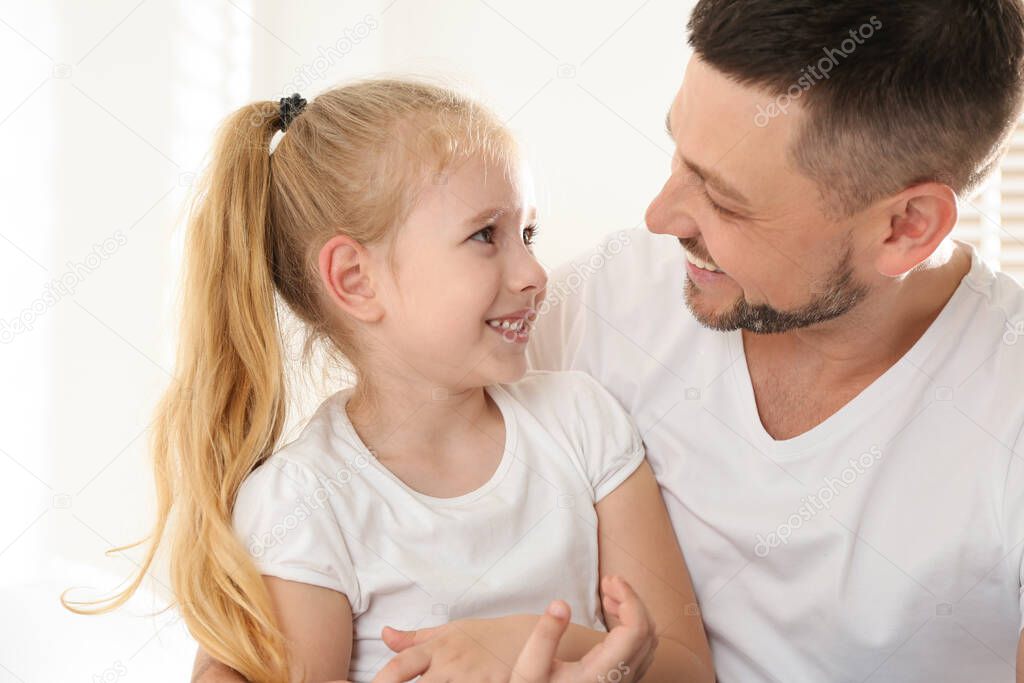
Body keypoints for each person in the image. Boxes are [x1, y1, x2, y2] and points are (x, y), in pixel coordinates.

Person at [64, 79, 714, 682]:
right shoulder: (306, 502)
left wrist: (521, 642)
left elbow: (688, 667)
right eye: (486, 235)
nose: (534, 273)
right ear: (355, 279)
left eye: (527, 232)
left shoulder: (582, 422)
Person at [525, 1, 1024, 681]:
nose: (661, 214)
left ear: (906, 227)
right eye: (678, 152)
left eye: (726, 202)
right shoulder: (606, 298)